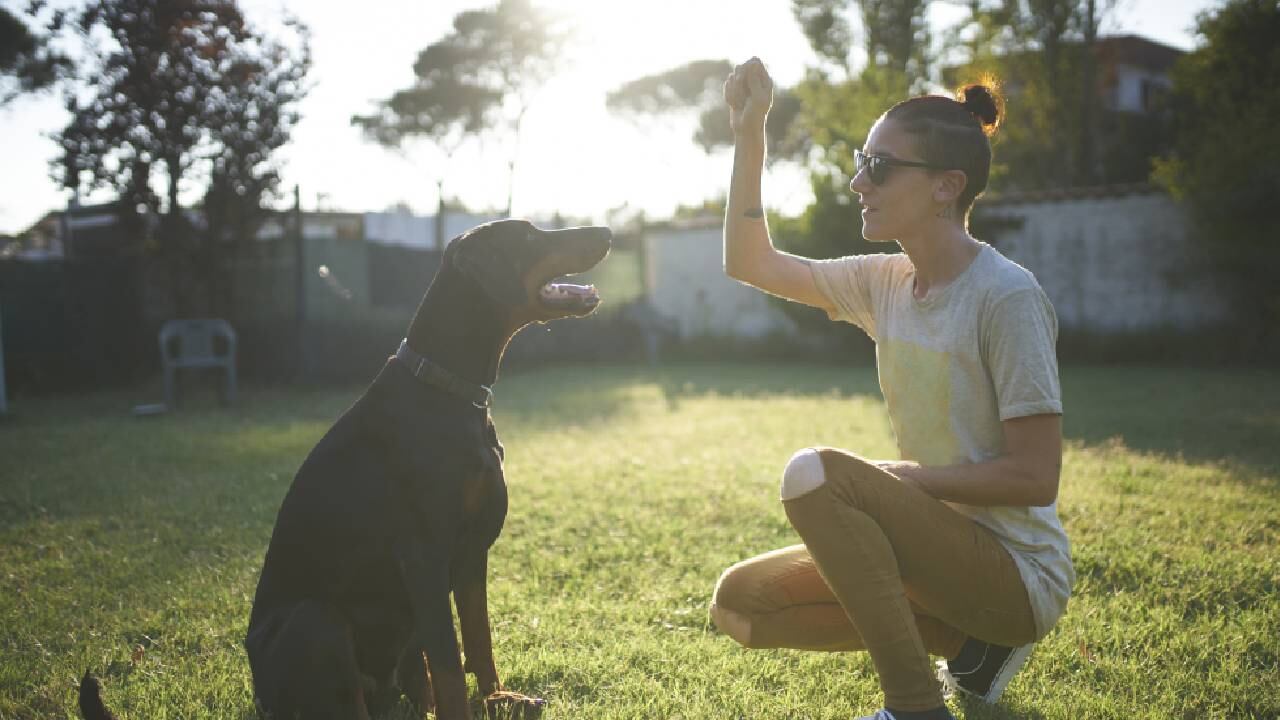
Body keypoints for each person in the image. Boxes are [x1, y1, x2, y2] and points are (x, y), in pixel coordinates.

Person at [709, 57, 1073, 720]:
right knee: (741, 607)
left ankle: (914, 708)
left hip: (1016, 576)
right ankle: (970, 649)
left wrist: (908, 481)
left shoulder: (1007, 297)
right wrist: (750, 134)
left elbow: (1035, 477)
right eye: (861, 160)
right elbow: (748, 262)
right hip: (931, 556)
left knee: (813, 475)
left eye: (878, 166)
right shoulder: (883, 282)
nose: (857, 182)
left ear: (945, 188)